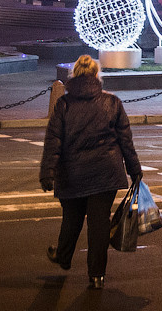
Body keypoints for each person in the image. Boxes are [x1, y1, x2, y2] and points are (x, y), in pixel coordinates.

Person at [40, 54, 143, 290]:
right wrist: (135, 169)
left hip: (72, 173)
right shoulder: (112, 102)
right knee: (98, 225)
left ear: (74, 75)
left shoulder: (64, 105)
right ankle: (97, 275)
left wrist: (47, 172)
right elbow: (125, 140)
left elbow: (53, 140)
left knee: (71, 219)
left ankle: (63, 258)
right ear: (97, 75)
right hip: (105, 173)